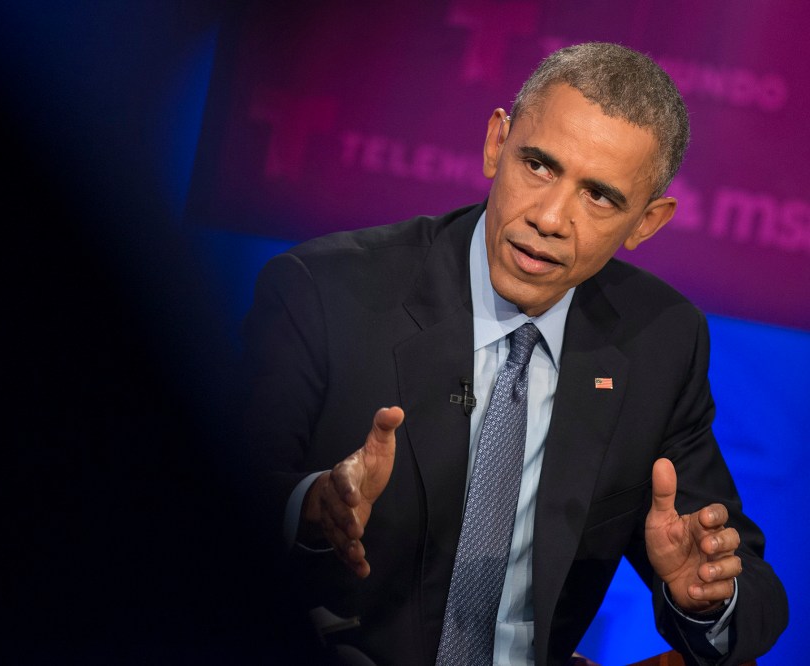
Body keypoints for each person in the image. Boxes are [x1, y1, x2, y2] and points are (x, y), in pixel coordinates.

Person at [240, 42, 787, 665]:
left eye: (599, 196)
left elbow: (754, 591)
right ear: (497, 142)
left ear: (648, 222)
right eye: (539, 165)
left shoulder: (659, 340)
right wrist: (308, 512)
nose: (551, 218)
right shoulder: (325, 292)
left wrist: (704, 596)